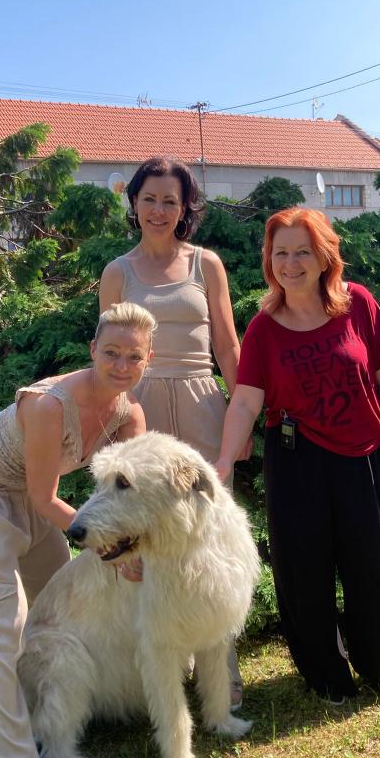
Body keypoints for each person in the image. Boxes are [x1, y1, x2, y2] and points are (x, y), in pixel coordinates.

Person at [0, 302, 156, 758]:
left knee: (59, 607)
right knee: (1, 627)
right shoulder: (48, 405)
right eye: (111, 352)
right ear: (92, 350)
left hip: (34, 499)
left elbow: (131, 499)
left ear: (148, 360)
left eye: (134, 356)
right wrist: (108, 549)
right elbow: (44, 497)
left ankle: (46, 720)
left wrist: (132, 552)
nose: (121, 365)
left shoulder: (130, 415)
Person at [214, 207, 380, 705]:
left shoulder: (359, 304)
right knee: (304, 573)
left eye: (302, 251)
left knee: (376, 569)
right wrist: (224, 461)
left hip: (364, 456)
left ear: (325, 256)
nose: (291, 263)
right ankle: (326, 677)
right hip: (296, 460)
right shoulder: (263, 328)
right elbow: (246, 401)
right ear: (269, 261)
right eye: (280, 252)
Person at [99, 155, 247, 707]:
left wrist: (241, 416)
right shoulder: (118, 272)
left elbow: (227, 345)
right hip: (140, 412)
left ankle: (223, 671)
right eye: (150, 199)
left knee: (210, 536)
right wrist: (114, 420)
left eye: (171, 200)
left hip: (204, 404)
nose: (159, 210)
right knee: (147, 544)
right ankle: (159, 670)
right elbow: (110, 354)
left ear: (185, 208)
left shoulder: (207, 264)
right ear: (134, 203)